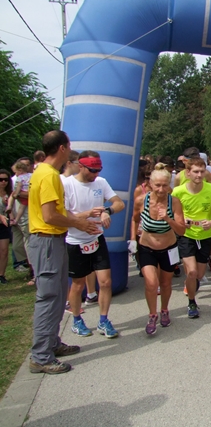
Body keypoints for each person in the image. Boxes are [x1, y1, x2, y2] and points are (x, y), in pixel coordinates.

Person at [27, 130, 101, 374]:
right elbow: (49, 216)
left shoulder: (46, 172)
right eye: (69, 146)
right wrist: (78, 223)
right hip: (47, 242)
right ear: (62, 148)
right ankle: (40, 356)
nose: (70, 150)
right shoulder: (48, 175)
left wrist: (80, 219)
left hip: (52, 241)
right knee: (49, 299)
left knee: (58, 297)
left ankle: (51, 344)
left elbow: (58, 211)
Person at [63, 151, 125, 338]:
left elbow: (119, 203)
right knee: (78, 284)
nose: (96, 174)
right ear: (80, 166)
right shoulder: (67, 184)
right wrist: (88, 214)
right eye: (92, 170)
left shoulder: (101, 182)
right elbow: (64, 215)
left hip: (97, 239)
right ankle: (76, 320)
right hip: (75, 241)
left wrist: (107, 211)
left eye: (98, 170)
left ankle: (103, 320)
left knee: (105, 282)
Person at [130, 163, 186, 335]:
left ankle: (165, 310)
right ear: (150, 184)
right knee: (151, 283)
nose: (161, 190)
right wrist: (132, 240)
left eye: (164, 185)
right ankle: (152, 314)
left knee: (166, 283)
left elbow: (181, 231)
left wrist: (168, 219)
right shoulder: (141, 200)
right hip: (147, 247)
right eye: (158, 185)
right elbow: (135, 219)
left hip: (169, 248)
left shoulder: (174, 202)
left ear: (169, 185)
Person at [172, 157, 211, 318]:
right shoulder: (178, 192)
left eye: (202, 171)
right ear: (187, 173)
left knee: (199, 275)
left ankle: (192, 284)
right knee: (192, 272)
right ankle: (192, 302)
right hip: (186, 235)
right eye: (195, 171)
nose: (199, 175)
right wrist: (181, 221)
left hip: (205, 236)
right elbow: (172, 213)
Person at [0, 169, 13, 284]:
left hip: (4, 225)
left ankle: (1, 274)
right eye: (0, 180)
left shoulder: (10, 194)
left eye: (5, 179)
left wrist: (8, 204)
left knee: (4, 250)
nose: (3, 182)